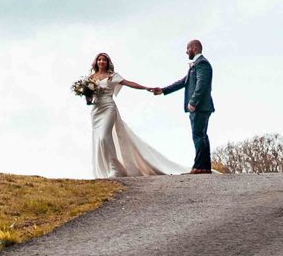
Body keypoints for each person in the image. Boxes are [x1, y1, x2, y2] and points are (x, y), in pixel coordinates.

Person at [81, 53, 188, 178]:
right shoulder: (91, 78)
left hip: (108, 107)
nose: (101, 62)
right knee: (99, 139)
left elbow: (129, 83)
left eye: (104, 60)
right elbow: (89, 98)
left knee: (105, 136)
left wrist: (145, 88)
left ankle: (115, 169)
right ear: (96, 62)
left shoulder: (112, 76)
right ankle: (108, 168)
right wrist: (87, 97)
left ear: (107, 62)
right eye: (99, 59)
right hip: (96, 110)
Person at [152, 39, 216, 173]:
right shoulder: (195, 65)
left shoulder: (202, 63)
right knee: (202, 135)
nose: (186, 52)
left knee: (198, 135)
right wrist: (163, 90)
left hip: (200, 106)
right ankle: (204, 167)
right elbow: (183, 82)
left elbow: (202, 84)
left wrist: (193, 102)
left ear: (193, 48)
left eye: (187, 49)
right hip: (201, 107)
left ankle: (199, 167)